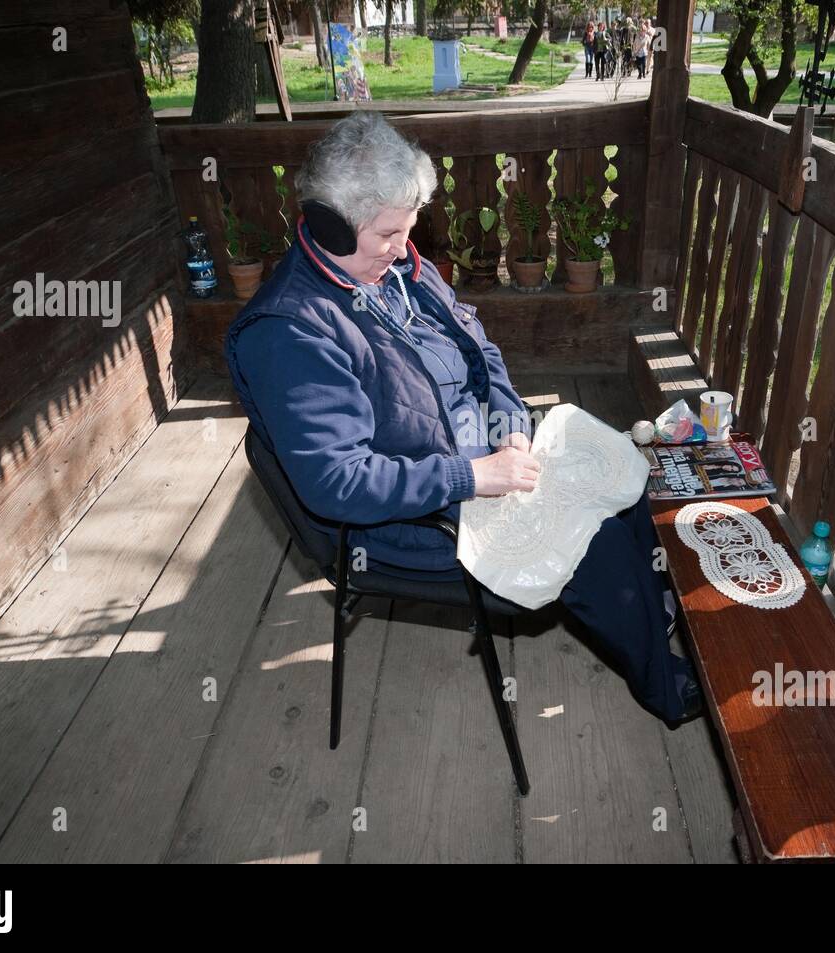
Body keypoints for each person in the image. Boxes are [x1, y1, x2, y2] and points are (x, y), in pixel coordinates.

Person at [225, 112, 704, 727]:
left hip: (476, 453)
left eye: (408, 229)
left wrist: (506, 413)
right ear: (330, 226)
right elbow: (339, 483)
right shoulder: (290, 332)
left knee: (618, 463)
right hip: (414, 514)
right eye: (388, 234)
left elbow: (479, 346)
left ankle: (647, 605)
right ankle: (666, 685)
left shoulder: (395, 270)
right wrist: (473, 476)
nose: (403, 248)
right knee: (593, 536)